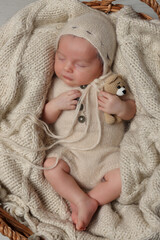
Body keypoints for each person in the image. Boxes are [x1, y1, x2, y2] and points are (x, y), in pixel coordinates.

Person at [42, 12, 136, 231]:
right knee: (50, 167)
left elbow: (131, 108)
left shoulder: (113, 84)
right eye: (61, 58)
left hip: (107, 155)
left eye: (81, 64)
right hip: (70, 152)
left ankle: (90, 200)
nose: (67, 68)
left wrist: (120, 107)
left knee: (125, 177)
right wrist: (55, 106)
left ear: (103, 64)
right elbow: (44, 120)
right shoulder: (56, 87)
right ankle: (81, 199)